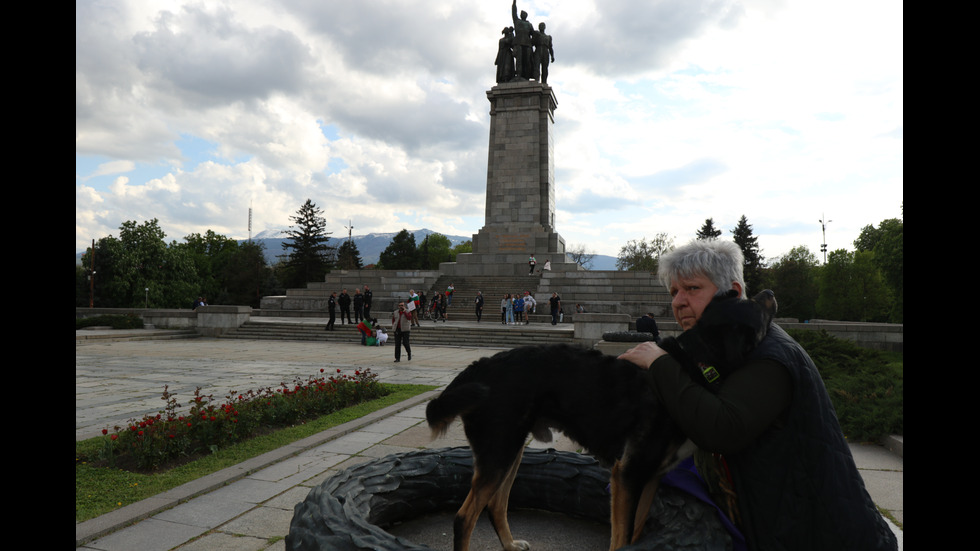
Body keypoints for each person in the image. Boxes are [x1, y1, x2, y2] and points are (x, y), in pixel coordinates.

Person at [617, 239, 897, 551]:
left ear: (733, 292)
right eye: (674, 292)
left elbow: (721, 429)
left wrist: (659, 363)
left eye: (692, 288)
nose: (678, 301)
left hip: (827, 537)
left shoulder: (770, 356)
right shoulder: (730, 349)